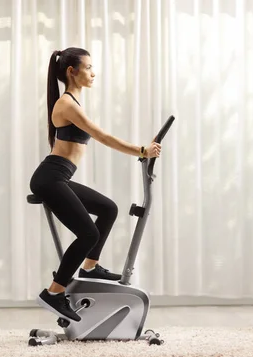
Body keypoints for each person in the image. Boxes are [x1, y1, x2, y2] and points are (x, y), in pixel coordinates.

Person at [29, 47, 161, 322]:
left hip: (59, 176)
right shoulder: (66, 104)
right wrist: (141, 150)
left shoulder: (73, 104)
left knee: (108, 208)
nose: (93, 72)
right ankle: (54, 293)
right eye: (88, 67)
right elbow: (102, 136)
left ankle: (90, 267)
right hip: (49, 178)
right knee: (88, 234)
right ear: (71, 71)